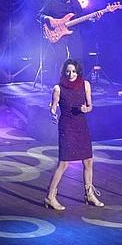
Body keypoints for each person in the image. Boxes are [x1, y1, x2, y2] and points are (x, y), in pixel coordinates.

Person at [44, 59, 104, 210]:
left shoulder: (85, 85)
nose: (71, 74)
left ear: (78, 72)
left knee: (88, 161)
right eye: (68, 71)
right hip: (67, 126)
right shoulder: (58, 88)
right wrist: (52, 112)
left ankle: (89, 194)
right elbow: (53, 106)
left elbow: (90, 106)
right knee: (64, 163)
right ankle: (50, 197)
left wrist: (86, 109)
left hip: (81, 125)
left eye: (74, 71)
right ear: (64, 72)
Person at [36, 0, 102, 84]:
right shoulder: (52, 1)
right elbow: (39, 15)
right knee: (61, 59)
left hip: (73, 33)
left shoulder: (75, 3)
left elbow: (81, 19)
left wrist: (94, 18)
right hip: (56, 34)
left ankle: (79, 85)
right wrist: (48, 18)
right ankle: (60, 86)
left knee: (78, 58)